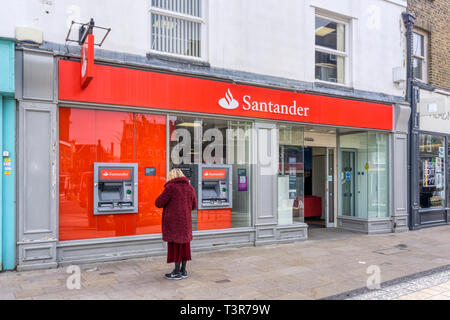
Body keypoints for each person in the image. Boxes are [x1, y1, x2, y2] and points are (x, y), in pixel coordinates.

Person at [155, 168, 197, 280]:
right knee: (184, 246)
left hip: (173, 222)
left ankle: (176, 272)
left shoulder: (171, 187)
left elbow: (158, 203)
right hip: (186, 222)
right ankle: (183, 271)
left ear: (171, 176)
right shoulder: (189, 187)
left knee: (175, 246)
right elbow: (194, 205)